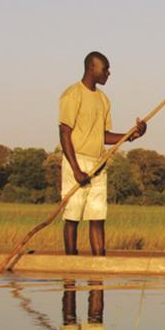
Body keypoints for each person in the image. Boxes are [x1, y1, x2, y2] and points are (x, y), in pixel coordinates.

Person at [59, 51, 147, 256]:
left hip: (99, 163)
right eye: (105, 68)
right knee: (72, 217)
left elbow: (104, 135)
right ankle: (71, 264)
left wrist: (132, 135)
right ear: (92, 67)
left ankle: (99, 265)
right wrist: (76, 170)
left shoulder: (103, 100)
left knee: (97, 217)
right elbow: (64, 133)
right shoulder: (72, 95)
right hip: (76, 161)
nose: (109, 73)